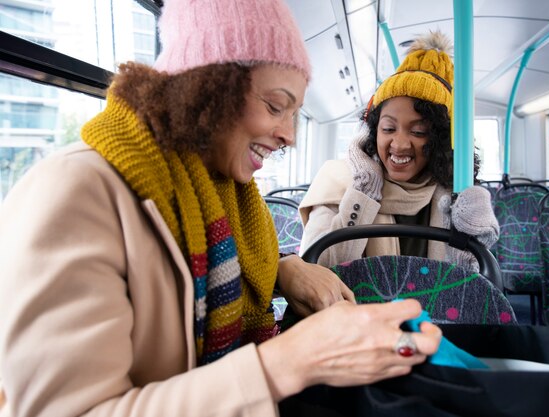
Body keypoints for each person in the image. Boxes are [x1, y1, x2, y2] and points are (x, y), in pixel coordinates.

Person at [0, 1, 442, 416]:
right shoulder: (74, 193)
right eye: (275, 106)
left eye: (295, 114)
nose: (289, 135)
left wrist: (284, 272)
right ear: (208, 89)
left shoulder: (227, 195)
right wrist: (289, 362)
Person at [299, 30, 499, 271]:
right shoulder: (338, 178)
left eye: (418, 132)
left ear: (439, 140)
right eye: (389, 128)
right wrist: (363, 192)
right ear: (375, 131)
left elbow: (465, 287)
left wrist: (473, 244)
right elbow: (315, 268)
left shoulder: (452, 190)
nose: (400, 144)